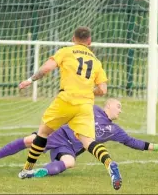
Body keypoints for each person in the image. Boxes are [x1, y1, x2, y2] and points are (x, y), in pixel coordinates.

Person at [17, 26, 122, 190]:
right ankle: (110, 164)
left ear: (73, 39)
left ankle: (27, 169)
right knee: (88, 142)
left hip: (66, 99)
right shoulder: (96, 61)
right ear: (89, 41)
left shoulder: (66, 51)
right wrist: (88, 91)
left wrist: (29, 80)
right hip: (85, 105)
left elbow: (46, 68)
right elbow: (103, 90)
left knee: (43, 133)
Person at [0, 98, 158, 179]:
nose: (120, 109)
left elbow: (134, 142)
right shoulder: (92, 109)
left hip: (68, 148)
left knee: (70, 162)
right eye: (118, 106)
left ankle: (36, 173)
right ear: (108, 106)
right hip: (60, 133)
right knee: (30, 141)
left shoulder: (115, 130)